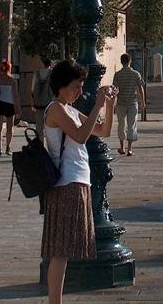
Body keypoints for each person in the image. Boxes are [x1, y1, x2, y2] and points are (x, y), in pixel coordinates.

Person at [43, 60, 115, 304]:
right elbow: (81, 136)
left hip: (78, 181)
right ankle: (55, 300)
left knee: (65, 248)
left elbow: (103, 130)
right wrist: (96, 104)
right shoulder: (56, 109)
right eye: (75, 87)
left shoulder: (71, 110)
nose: (79, 92)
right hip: (65, 183)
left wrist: (109, 104)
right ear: (61, 86)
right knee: (60, 248)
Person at [112, 53, 146, 156]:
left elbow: (115, 90)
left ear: (121, 62)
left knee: (121, 125)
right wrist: (143, 102)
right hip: (132, 103)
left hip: (121, 103)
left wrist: (113, 103)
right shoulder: (136, 74)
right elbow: (140, 88)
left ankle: (122, 147)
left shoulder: (117, 74)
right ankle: (130, 149)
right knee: (132, 125)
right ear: (130, 61)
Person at [0, 59, 21, 157]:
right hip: (9, 105)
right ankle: (8, 147)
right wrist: (18, 108)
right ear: (9, 68)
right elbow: (15, 95)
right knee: (9, 127)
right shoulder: (12, 80)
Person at [32, 58, 54, 145]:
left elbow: (33, 89)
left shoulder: (37, 73)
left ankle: (40, 146)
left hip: (38, 103)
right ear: (50, 63)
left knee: (39, 128)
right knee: (50, 127)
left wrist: (32, 101)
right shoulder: (52, 73)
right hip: (49, 102)